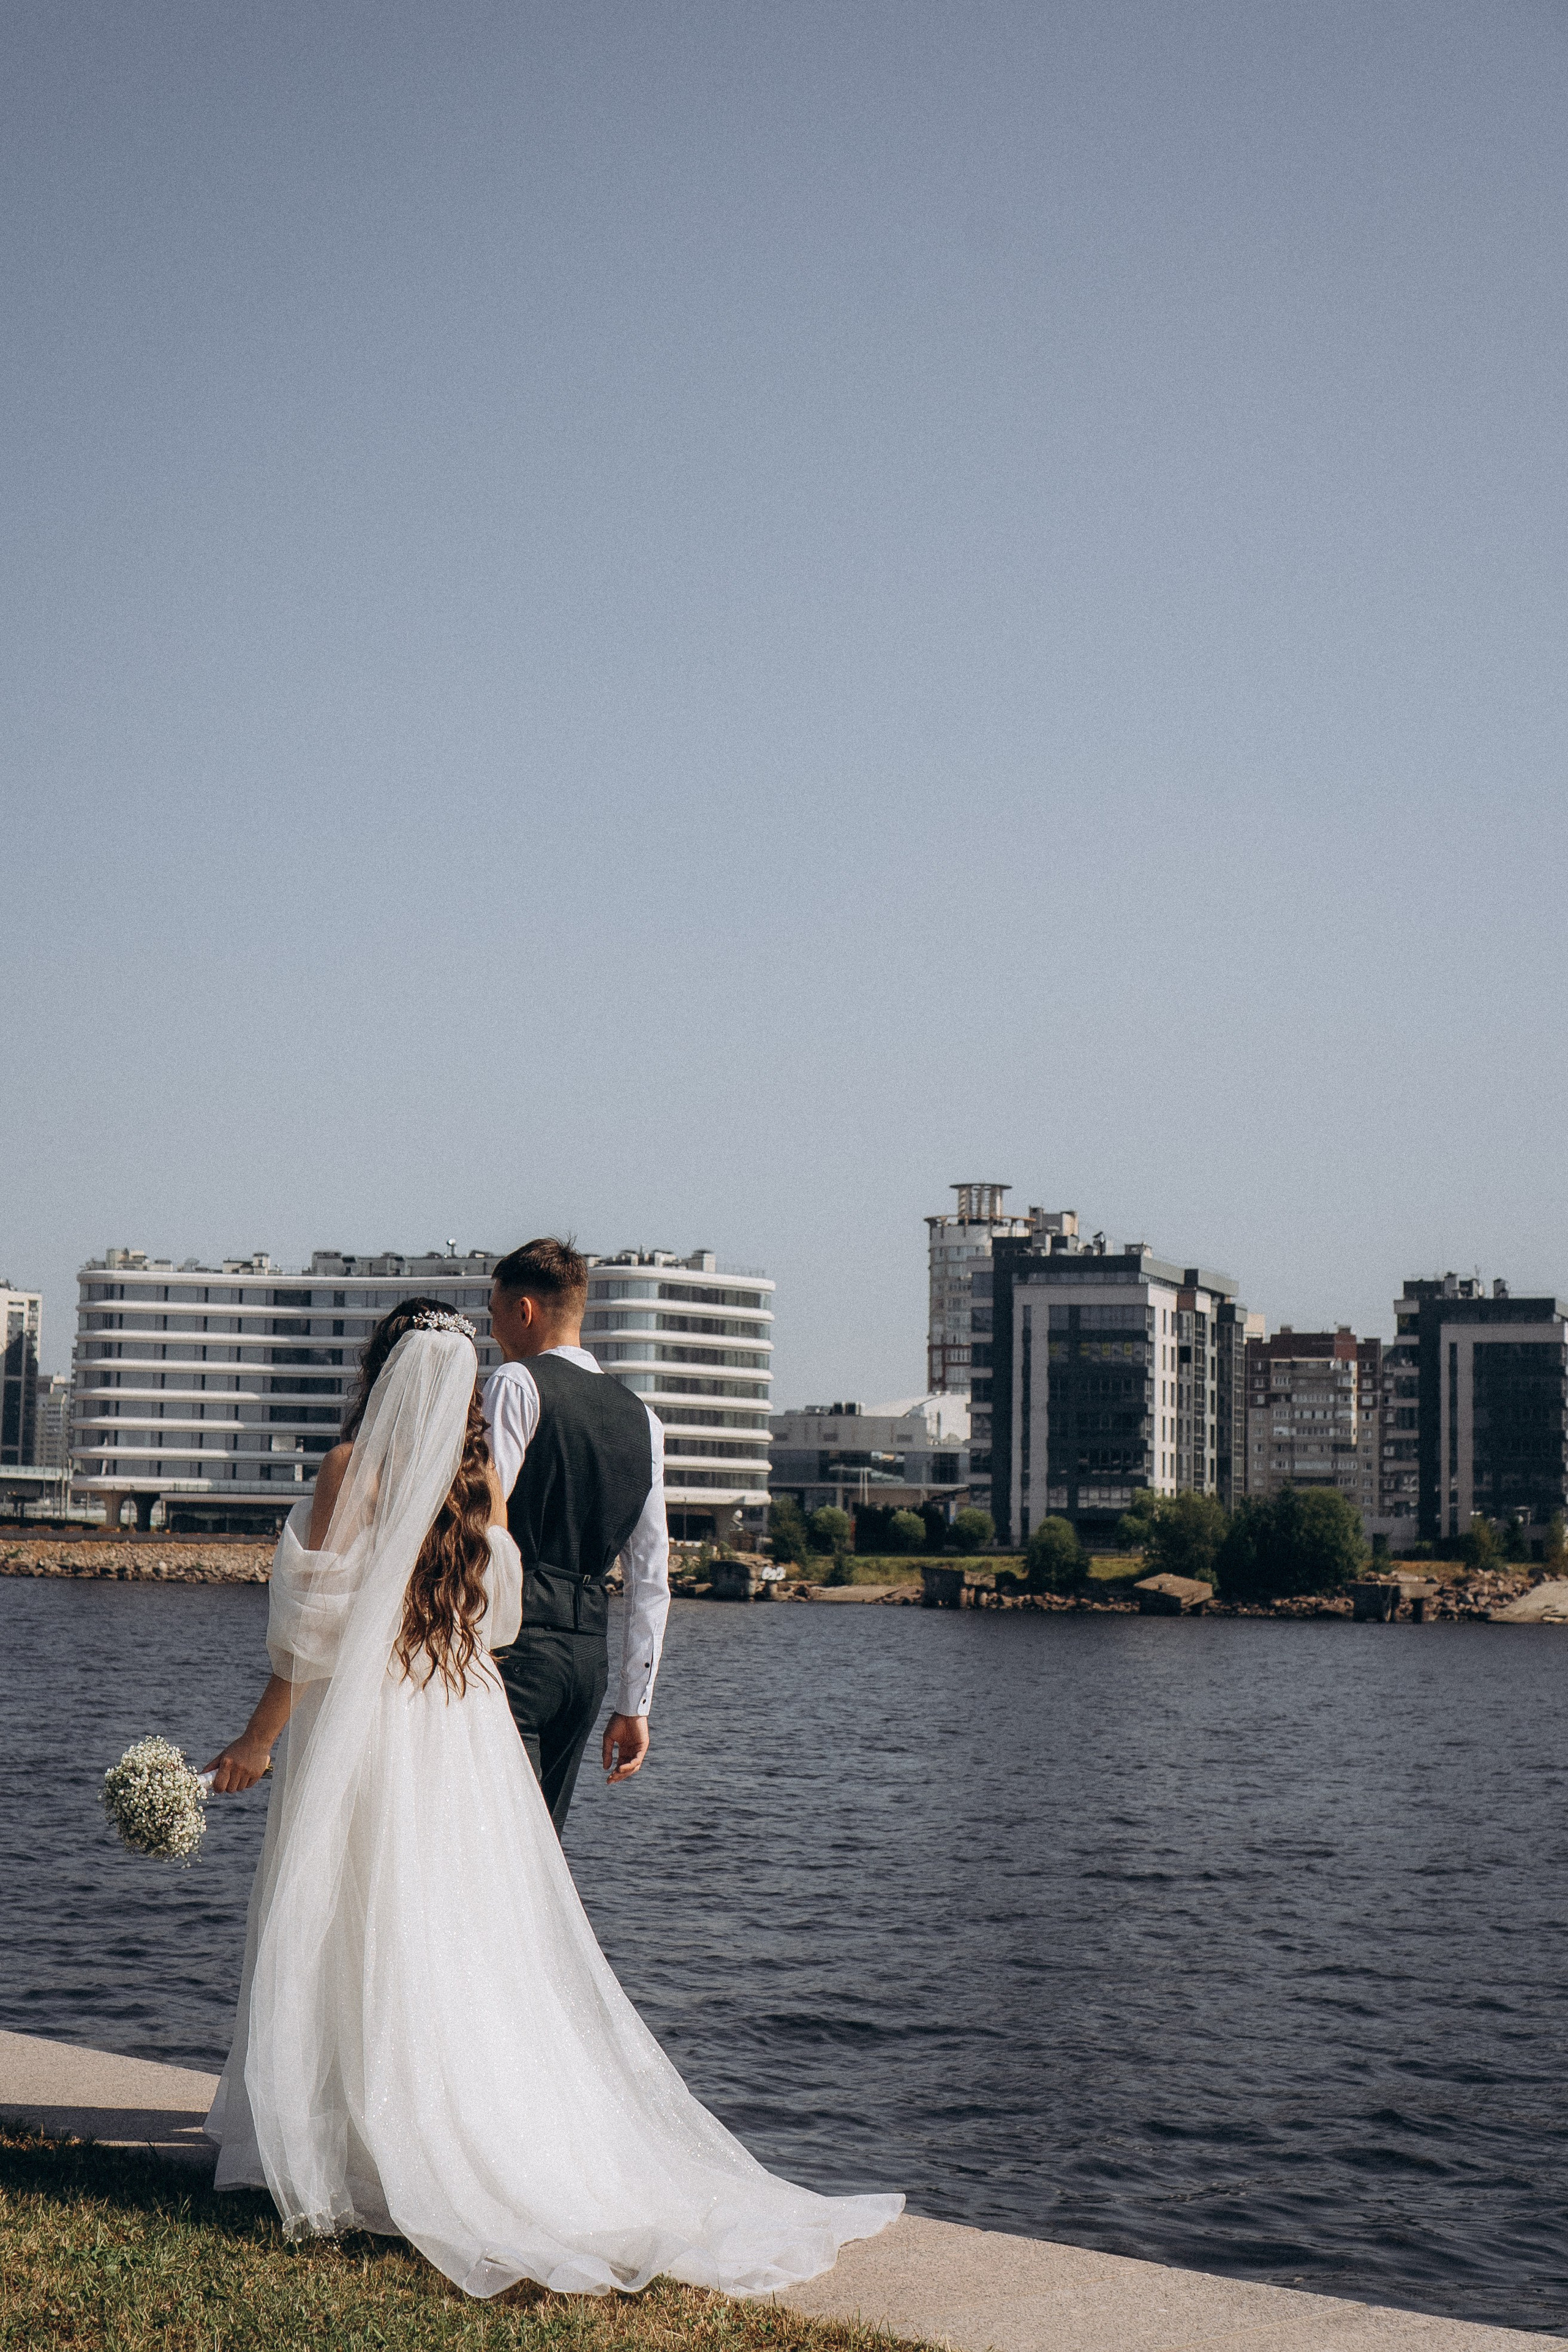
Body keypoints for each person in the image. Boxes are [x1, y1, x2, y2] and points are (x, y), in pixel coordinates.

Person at [201, 1305, 901, 2300]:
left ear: (381, 1370)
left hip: (373, 1718)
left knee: (356, 1912)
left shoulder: (350, 1466)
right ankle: (442, 2126)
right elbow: (497, 1616)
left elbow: (313, 1631)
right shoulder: (478, 1478)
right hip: (461, 1711)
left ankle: (358, 2139)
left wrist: (259, 1740)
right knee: (456, 1930)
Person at [481, 1237, 666, 1833]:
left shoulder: (515, 1384)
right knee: (541, 1853)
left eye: (493, 1314)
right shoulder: (644, 1420)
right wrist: (634, 1705)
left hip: (516, 1646)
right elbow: (650, 1576)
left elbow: (479, 1520)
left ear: (524, 1311)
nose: (492, 1330)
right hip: (587, 1661)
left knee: (497, 1848)